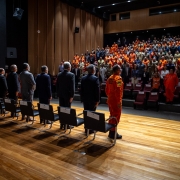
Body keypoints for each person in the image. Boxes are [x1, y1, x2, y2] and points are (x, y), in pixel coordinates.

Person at [81, 64, 100, 134]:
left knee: (86, 113)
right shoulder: (95, 79)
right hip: (92, 100)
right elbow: (97, 91)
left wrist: (82, 98)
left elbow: (81, 90)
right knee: (92, 114)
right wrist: (97, 100)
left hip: (85, 100)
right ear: (93, 70)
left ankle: (86, 128)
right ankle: (91, 129)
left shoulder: (83, 78)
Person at [105, 65, 124, 139]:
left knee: (112, 115)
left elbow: (106, 89)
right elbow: (118, 91)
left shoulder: (110, 78)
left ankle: (111, 132)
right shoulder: (118, 78)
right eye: (119, 69)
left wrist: (109, 96)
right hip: (116, 100)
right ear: (116, 70)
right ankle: (113, 133)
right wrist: (119, 102)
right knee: (116, 116)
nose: (121, 70)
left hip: (110, 99)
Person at [57, 61, 75, 129]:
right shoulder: (71, 75)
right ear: (69, 67)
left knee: (61, 109)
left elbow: (57, 86)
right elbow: (72, 87)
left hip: (61, 95)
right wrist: (72, 96)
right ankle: (67, 125)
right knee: (67, 110)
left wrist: (58, 94)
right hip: (68, 96)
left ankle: (62, 124)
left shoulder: (59, 74)